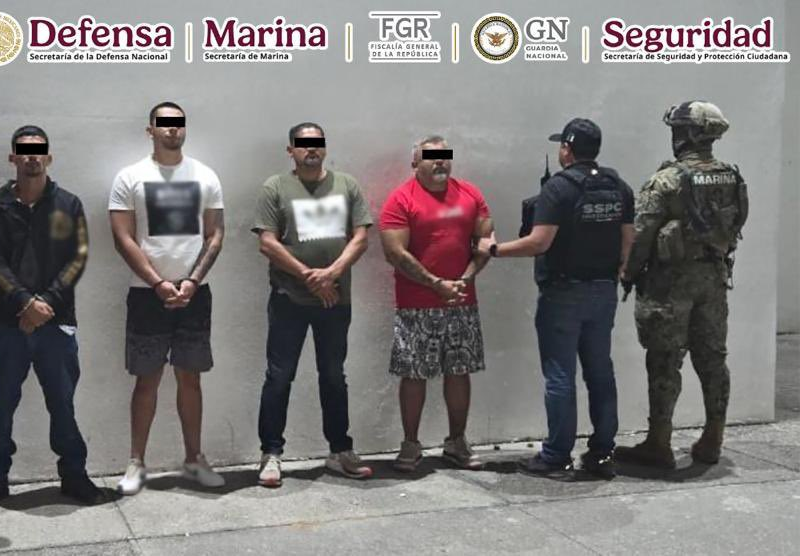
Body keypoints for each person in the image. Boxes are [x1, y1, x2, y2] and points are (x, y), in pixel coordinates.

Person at [477, 118, 635, 479]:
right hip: (603, 291)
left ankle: (556, 455)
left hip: (563, 293)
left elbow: (539, 243)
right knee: (600, 371)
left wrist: (494, 249)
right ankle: (602, 452)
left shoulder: (559, 188)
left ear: (567, 149)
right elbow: (628, 239)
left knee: (560, 375)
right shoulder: (618, 186)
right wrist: (616, 274)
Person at [0, 126, 106, 512]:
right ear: (12, 157)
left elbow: (77, 258)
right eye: (24, 151)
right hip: (7, 323)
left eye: (38, 150)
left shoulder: (68, 204)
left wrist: (45, 304)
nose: (32, 156)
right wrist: (25, 303)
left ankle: (74, 476)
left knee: (62, 404)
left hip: (56, 324)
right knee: (0, 406)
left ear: (49, 156)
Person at [614, 101, 748, 469]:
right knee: (712, 359)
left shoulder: (667, 180)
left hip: (670, 285)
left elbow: (641, 234)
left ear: (689, 134)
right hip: (714, 279)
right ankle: (713, 437)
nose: (674, 135)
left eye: (678, 129)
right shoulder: (730, 176)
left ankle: (659, 442)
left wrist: (628, 273)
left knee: (663, 360)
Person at [108, 101, 226, 495]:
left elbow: (215, 234)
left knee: (190, 378)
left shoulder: (205, 176)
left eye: (178, 123)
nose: (172, 129)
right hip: (147, 296)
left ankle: (194, 459)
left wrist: (192, 280)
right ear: (151, 130)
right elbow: (122, 237)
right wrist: (158, 283)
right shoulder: (130, 177)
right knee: (147, 380)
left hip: (195, 295)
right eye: (164, 123)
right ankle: (136, 463)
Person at [251, 122, 375, 487]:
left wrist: (331, 274)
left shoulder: (346, 185)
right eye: (303, 144)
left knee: (334, 376)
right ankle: (271, 454)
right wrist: (310, 277)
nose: (311, 149)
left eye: (317, 143)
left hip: (335, 300)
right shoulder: (275, 187)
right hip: (288, 299)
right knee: (279, 377)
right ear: (290, 150)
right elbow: (267, 243)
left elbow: (361, 237)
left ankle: (340, 451)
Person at [377, 135, 492, 473]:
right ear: (415, 162)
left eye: (445, 156)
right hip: (416, 305)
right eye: (431, 156)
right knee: (414, 374)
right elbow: (394, 252)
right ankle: (411, 445)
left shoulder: (470, 194)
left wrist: (465, 279)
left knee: (459, 371)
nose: (440, 161)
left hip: (461, 301)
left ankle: (456, 442)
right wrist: (435, 284)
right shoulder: (401, 199)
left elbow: (485, 240)